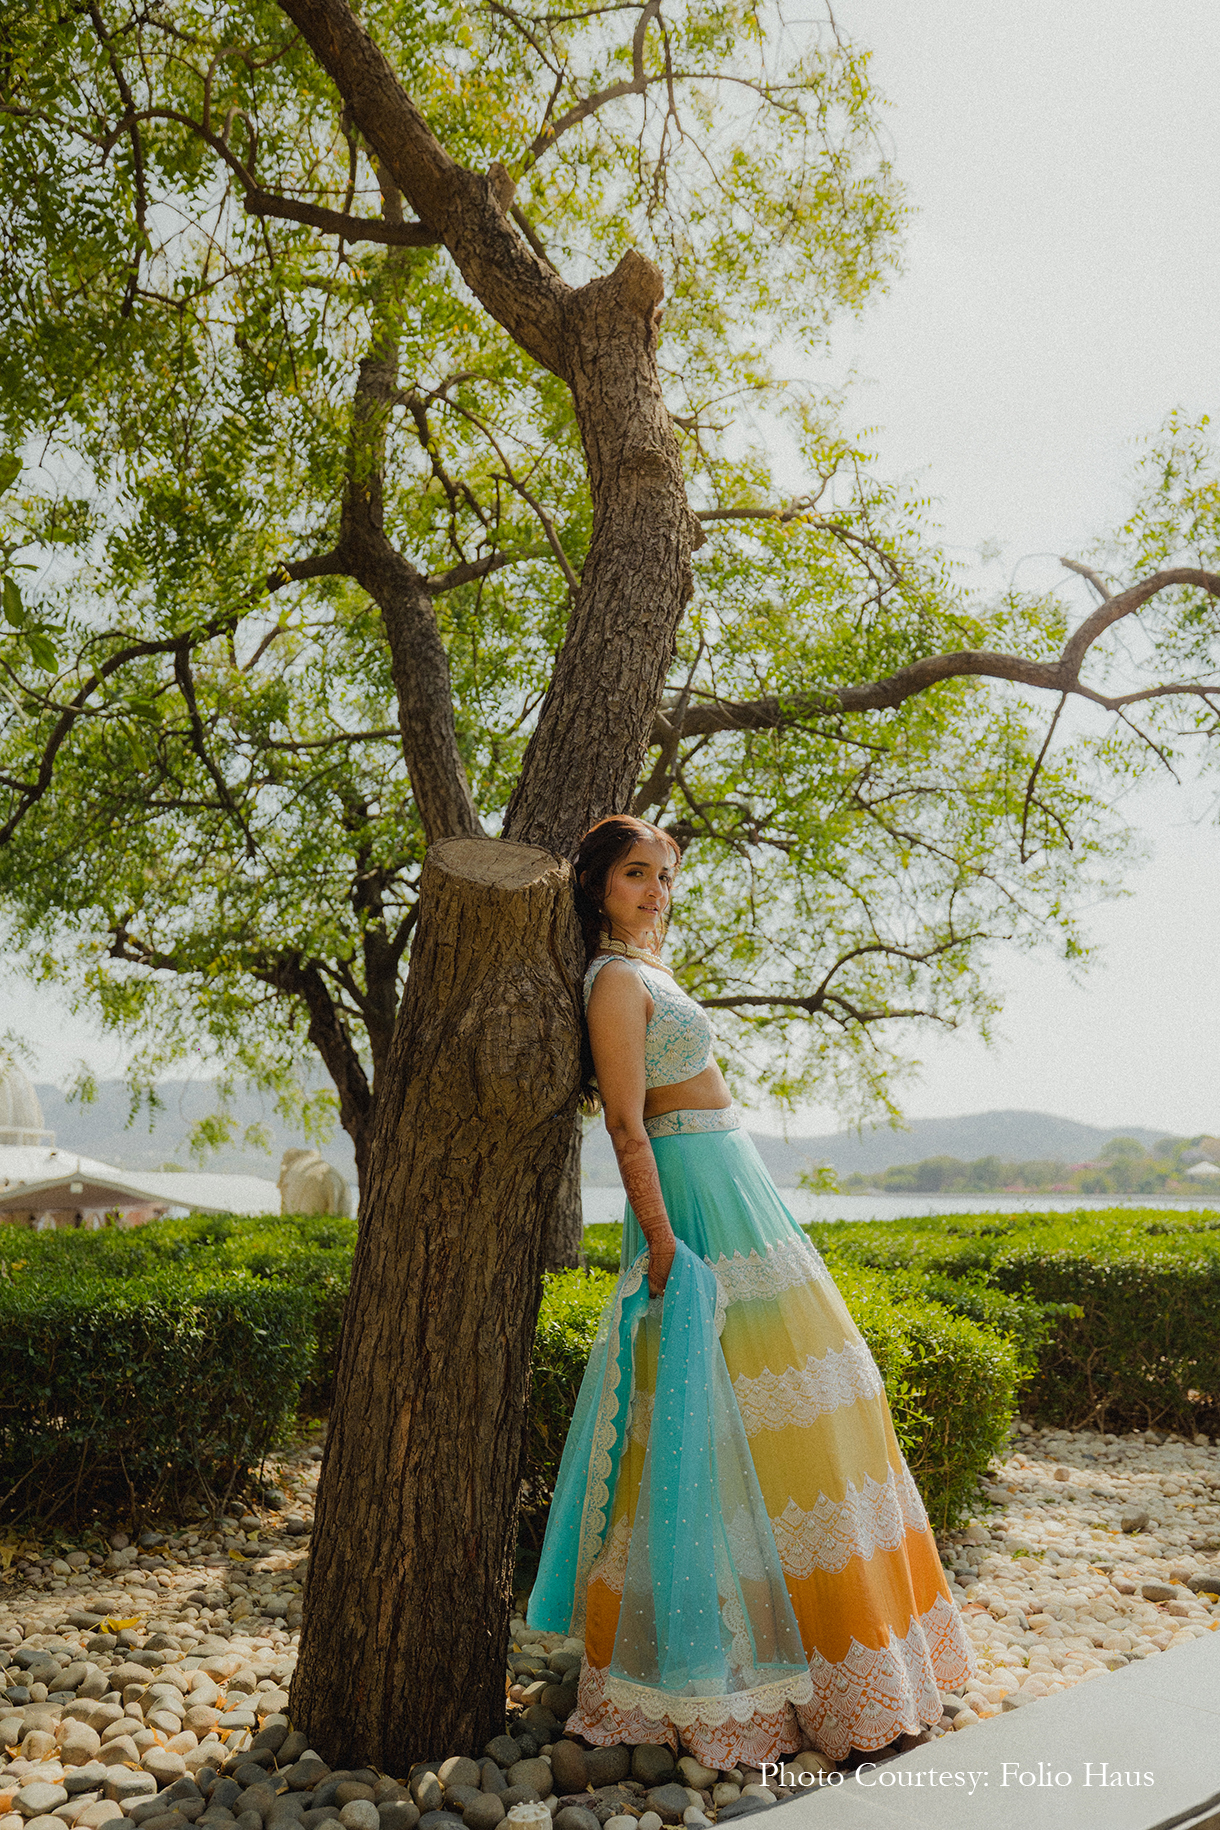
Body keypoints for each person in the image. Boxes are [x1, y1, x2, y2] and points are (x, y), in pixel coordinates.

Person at [527, 815, 973, 1769]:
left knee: (827, 1398)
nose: (655, 891)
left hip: (739, 1188)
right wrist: (659, 1241)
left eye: (665, 875)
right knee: (723, 1428)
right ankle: (735, 1687)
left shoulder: (648, 973)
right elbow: (622, 1119)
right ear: (597, 887)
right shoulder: (612, 982)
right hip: (696, 1204)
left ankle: (859, 1667)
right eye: (637, 875)